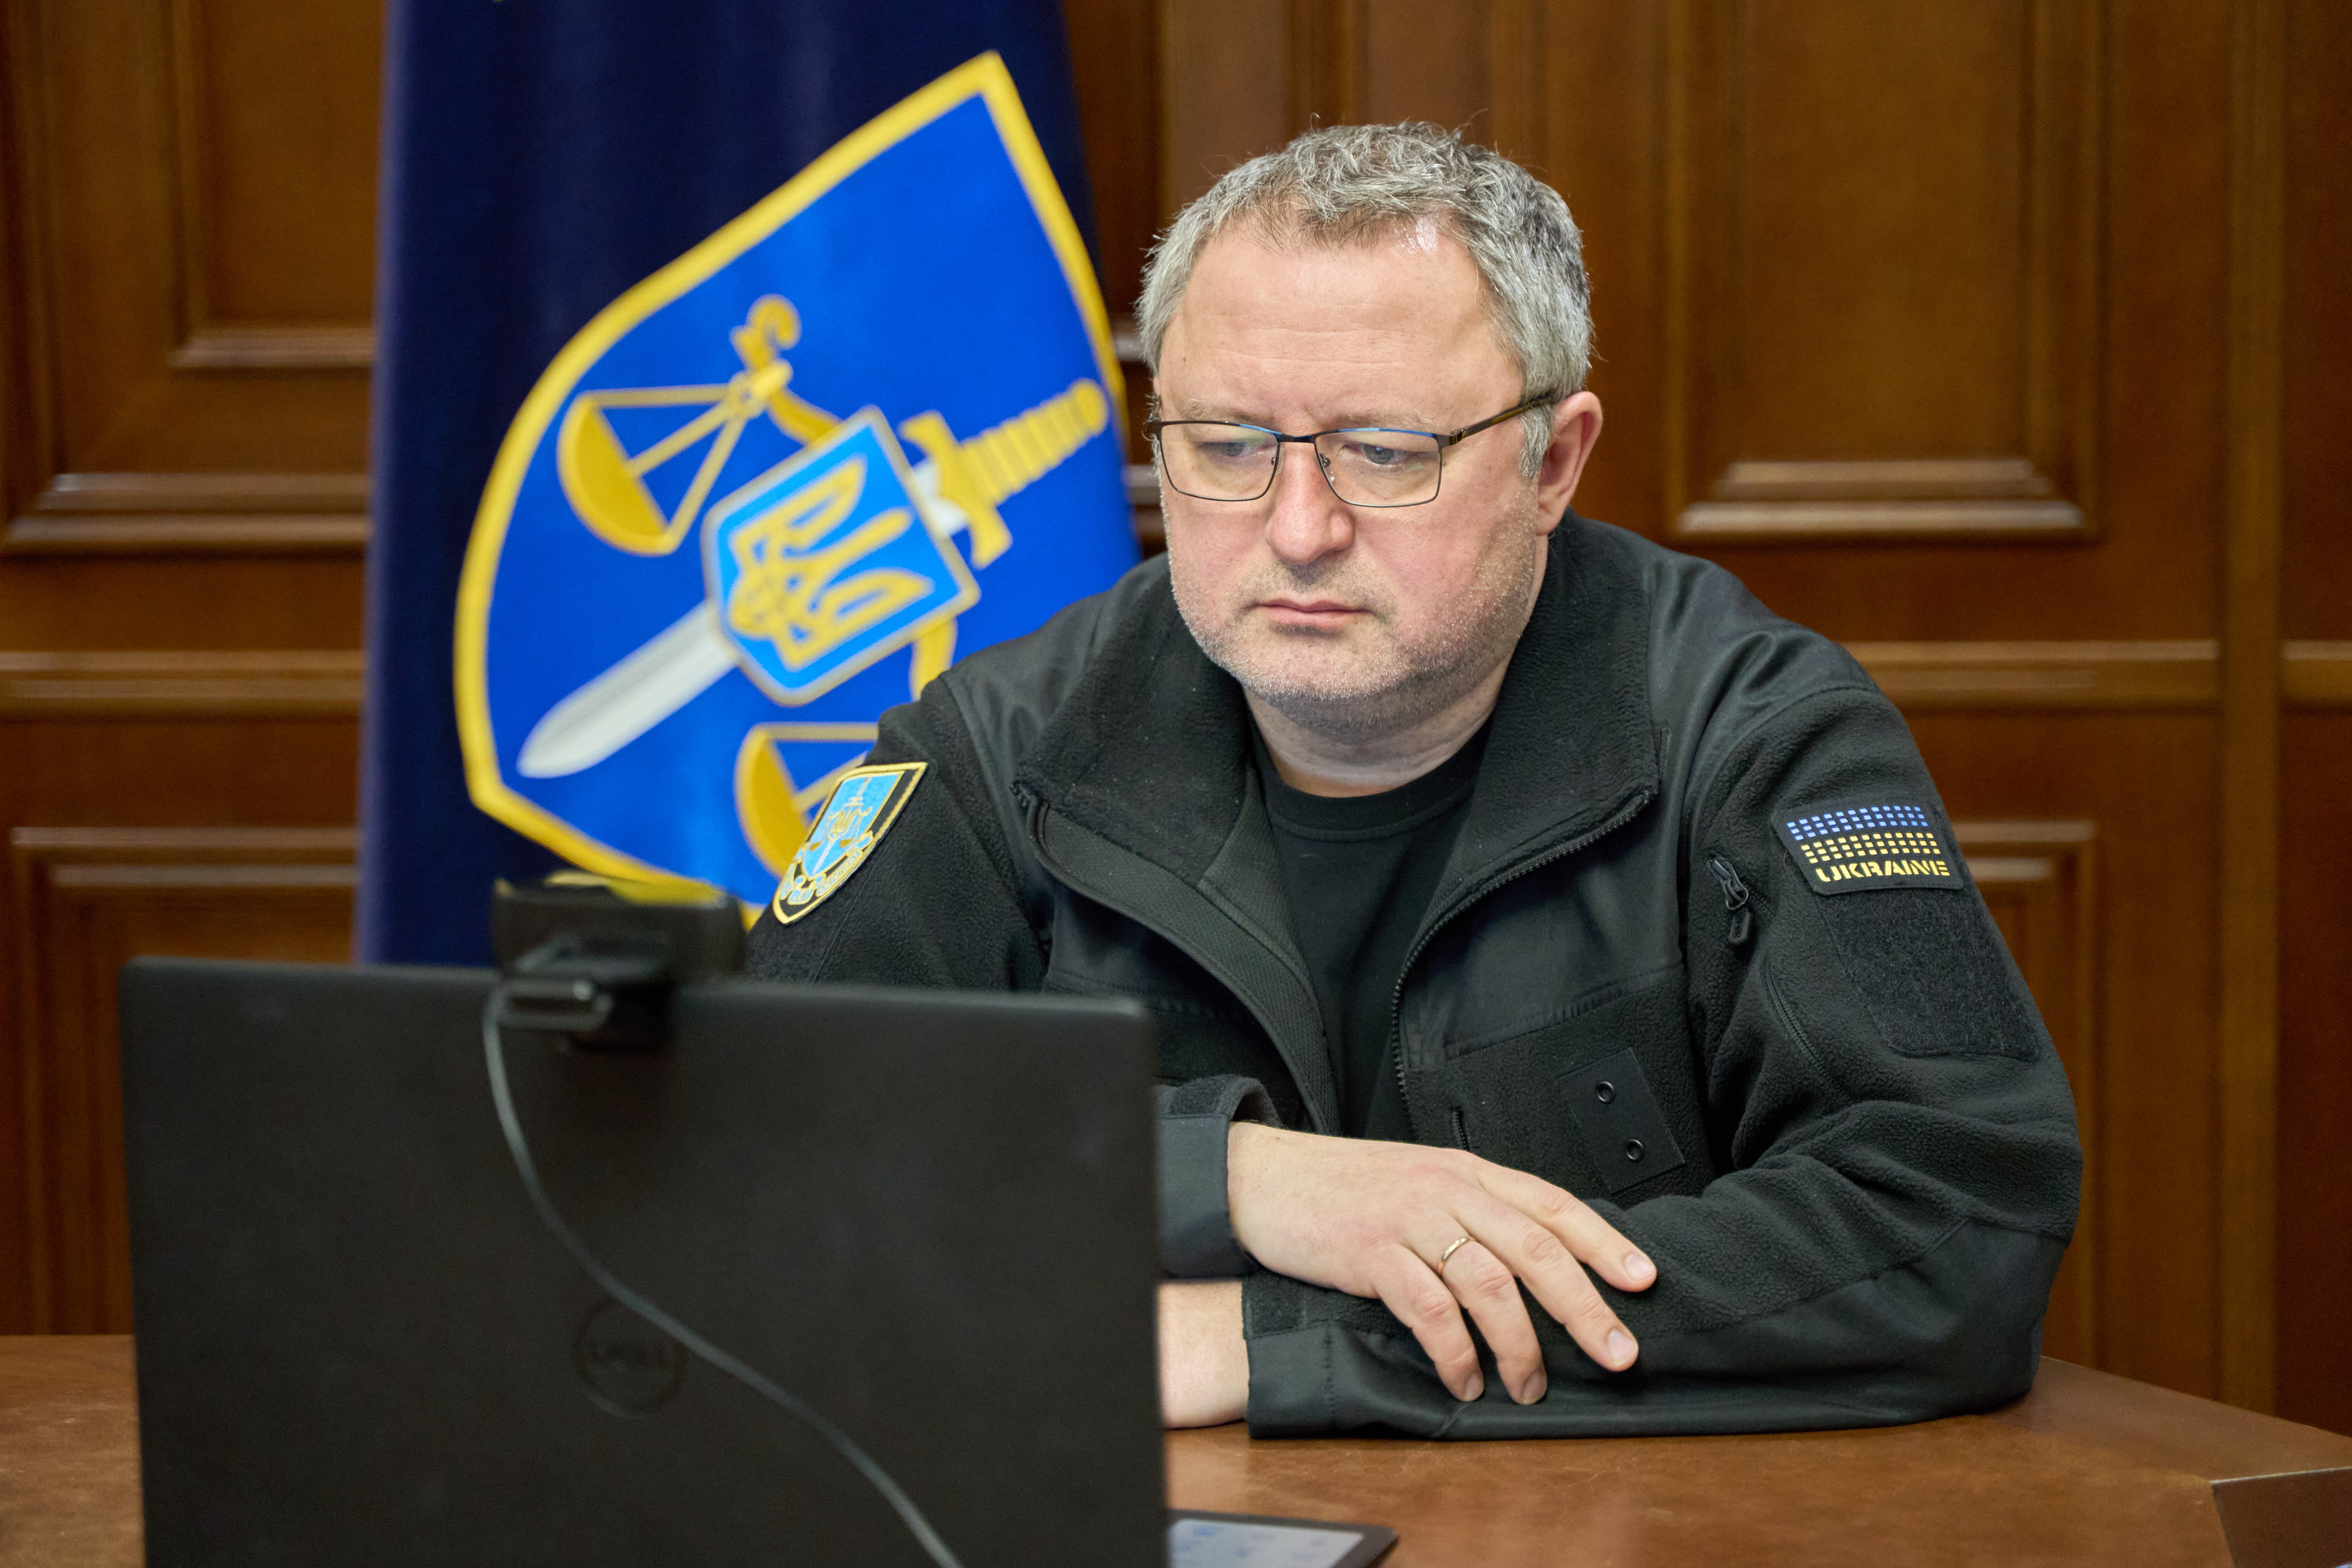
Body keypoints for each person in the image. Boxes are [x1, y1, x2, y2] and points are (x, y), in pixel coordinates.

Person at [745, 123, 2082, 1438]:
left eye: (1386, 452)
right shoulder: (1000, 750)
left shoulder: (1755, 734)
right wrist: (1236, 1178)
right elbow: (748, 1141)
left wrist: (1274, 1343)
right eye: (1226, 444)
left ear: (1553, 461)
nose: (1298, 529)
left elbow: (1957, 1220)